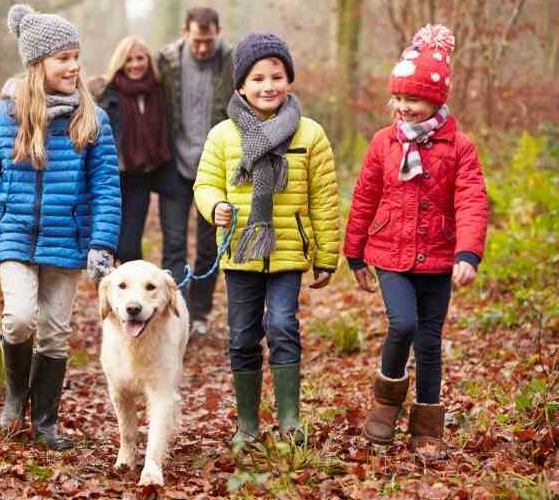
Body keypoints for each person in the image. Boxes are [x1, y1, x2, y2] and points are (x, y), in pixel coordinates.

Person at [0, 4, 121, 451]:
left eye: (76, 56)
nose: (73, 66)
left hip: (68, 241)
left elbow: (107, 188)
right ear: (37, 63)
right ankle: (15, 396)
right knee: (19, 318)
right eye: (62, 58)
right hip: (14, 236)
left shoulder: (92, 119)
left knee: (54, 329)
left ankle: (45, 421)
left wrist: (102, 244)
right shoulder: (2, 117)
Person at [343, 25, 488, 461]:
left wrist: (467, 252)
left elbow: (471, 200)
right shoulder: (383, 143)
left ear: (437, 100)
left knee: (428, 342)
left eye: (414, 100)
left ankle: (427, 423)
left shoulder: (460, 147)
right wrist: (354, 252)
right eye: (399, 99)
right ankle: (386, 402)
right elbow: (366, 194)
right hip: (390, 253)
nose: (404, 108)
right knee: (402, 324)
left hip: (439, 257)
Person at [194, 33, 340, 445]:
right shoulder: (223, 136)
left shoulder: (309, 134)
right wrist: (215, 206)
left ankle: (290, 420)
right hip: (241, 252)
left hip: (288, 251)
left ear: (289, 80)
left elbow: (324, 198)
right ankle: (247, 424)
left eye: (276, 76)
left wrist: (327, 256)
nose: (268, 86)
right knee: (242, 336)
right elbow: (204, 185)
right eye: (257, 78)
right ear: (241, 85)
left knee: (281, 326)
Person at [156, 6, 234, 336]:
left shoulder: (231, 60)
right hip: (175, 164)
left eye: (208, 41)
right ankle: (175, 312)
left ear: (218, 32)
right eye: (196, 41)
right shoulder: (168, 61)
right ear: (186, 33)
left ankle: (199, 313)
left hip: (215, 169)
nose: (202, 48)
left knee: (207, 247)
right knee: (174, 244)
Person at [97, 36, 172, 263]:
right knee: (110, 243)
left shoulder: (158, 92)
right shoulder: (107, 94)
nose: (135, 64)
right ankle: (111, 292)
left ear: (148, 60)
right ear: (120, 62)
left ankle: (131, 290)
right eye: (129, 59)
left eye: (140, 58)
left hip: (140, 177)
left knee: (130, 247)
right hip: (111, 178)